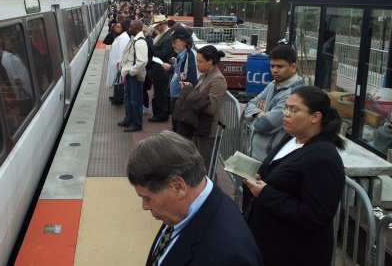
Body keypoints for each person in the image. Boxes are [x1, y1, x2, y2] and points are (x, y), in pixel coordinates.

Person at [127, 130, 263, 266]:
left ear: (178, 187)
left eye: (147, 198)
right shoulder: (184, 210)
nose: (144, 206)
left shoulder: (228, 257)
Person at [244, 86, 345, 266]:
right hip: (269, 245)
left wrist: (265, 193)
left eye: (294, 110)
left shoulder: (323, 158)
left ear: (316, 116)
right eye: (285, 107)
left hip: (293, 253)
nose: (286, 114)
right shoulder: (291, 138)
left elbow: (317, 215)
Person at [244, 44, 304, 162]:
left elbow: (265, 125)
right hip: (258, 156)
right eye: (272, 66)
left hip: (272, 160)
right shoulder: (273, 84)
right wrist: (258, 114)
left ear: (293, 67)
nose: (275, 70)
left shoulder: (294, 95)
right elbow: (250, 104)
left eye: (280, 66)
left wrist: (253, 117)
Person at [179, 45, 227, 171]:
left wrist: (190, 94)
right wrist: (190, 88)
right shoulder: (205, 75)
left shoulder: (218, 79)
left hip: (210, 129)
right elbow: (199, 94)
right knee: (199, 162)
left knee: (207, 166)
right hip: (200, 124)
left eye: (200, 61)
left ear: (210, 62)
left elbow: (211, 108)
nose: (197, 65)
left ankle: (210, 189)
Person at [162, 26, 198, 131]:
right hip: (177, 95)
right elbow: (180, 72)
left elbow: (190, 78)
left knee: (180, 127)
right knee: (176, 124)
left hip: (182, 97)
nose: (173, 45)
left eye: (175, 42)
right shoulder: (181, 55)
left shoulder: (189, 56)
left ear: (185, 42)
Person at [117, 20, 148, 132]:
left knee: (135, 100)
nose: (128, 29)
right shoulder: (134, 39)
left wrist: (132, 72)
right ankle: (129, 119)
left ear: (136, 28)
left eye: (130, 27)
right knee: (128, 98)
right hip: (130, 74)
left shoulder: (140, 42)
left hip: (134, 75)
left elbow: (142, 61)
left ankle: (137, 124)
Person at [149, 15, 175, 123]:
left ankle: (162, 115)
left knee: (161, 94)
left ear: (162, 25)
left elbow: (164, 54)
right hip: (159, 70)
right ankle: (160, 113)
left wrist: (152, 49)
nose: (156, 28)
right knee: (159, 93)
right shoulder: (164, 35)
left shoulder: (167, 37)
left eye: (157, 26)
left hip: (161, 71)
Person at [105, 20, 130, 88]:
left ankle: (118, 97)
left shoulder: (124, 38)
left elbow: (122, 52)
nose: (116, 28)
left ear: (123, 28)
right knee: (116, 81)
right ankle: (116, 96)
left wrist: (119, 63)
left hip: (118, 65)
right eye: (116, 26)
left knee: (118, 81)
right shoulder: (120, 36)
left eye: (118, 27)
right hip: (115, 63)